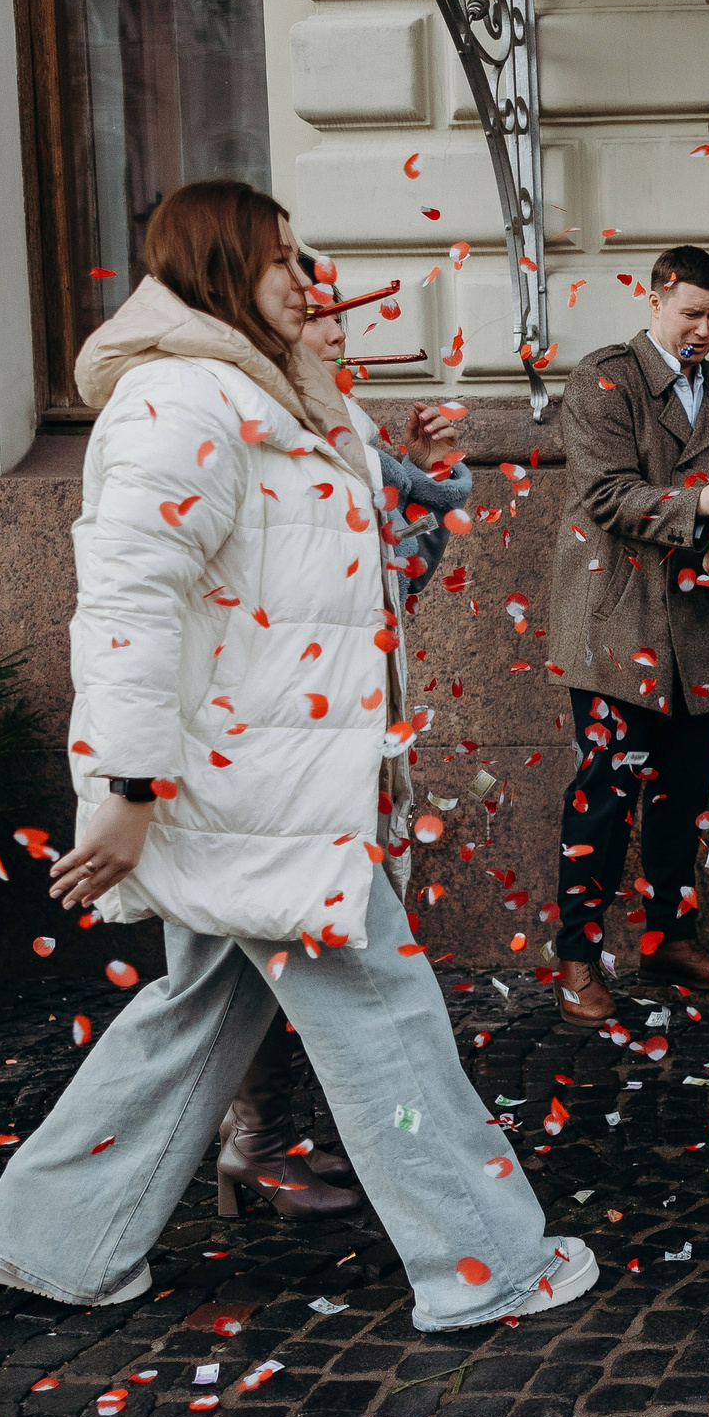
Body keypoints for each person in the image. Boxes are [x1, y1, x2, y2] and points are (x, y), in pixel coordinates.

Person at [0, 179, 591, 1328]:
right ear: (218, 266)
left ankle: (50, 1243)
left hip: (287, 779)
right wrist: (131, 783)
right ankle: (484, 1264)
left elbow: (347, 580)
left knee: (193, 1018)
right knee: (388, 1022)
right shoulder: (177, 404)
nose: (309, 280)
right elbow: (129, 605)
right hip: (252, 788)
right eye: (283, 258)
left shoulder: (292, 401)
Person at [201, 259, 478, 1224]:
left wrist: (423, 472)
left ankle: (267, 1143)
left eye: (340, 327)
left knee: (271, 969)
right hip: (276, 745)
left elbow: (398, 572)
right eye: (317, 322)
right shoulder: (241, 423)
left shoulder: (337, 427)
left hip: (350, 736)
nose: (334, 341)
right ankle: (258, 1144)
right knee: (262, 970)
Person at [547, 246, 709, 1029]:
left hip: (699, 628)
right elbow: (604, 493)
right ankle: (577, 958)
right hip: (617, 624)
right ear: (655, 301)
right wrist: (702, 502)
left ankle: (669, 938)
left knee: (682, 801)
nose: (705, 329)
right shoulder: (605, 378)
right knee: (604, 800)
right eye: (692, 314)